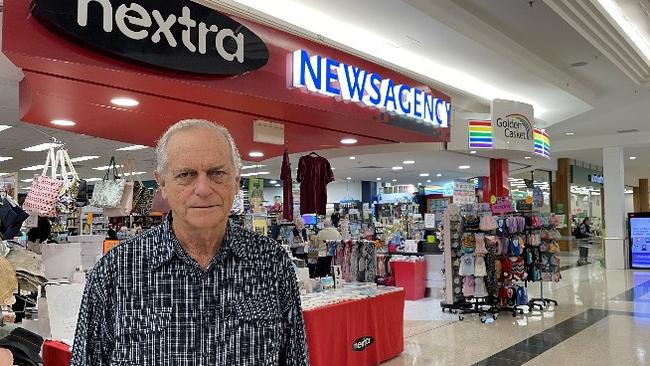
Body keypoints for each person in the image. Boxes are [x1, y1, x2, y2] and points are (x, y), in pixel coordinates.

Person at [71, 119, 308, 365]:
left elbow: (295, 358)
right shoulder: (115, 272)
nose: (203, 188)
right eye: (186, 174)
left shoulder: (272, 263)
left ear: (237, 181)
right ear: (162, 184)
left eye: (217, 173)